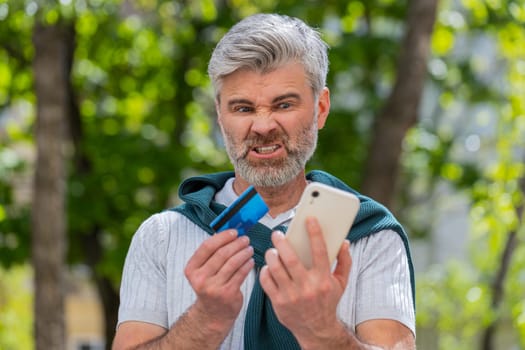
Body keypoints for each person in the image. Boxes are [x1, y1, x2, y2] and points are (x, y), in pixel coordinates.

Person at [112, 13, 416, 350]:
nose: (262, 126)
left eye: (283, 104)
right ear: (219, 115)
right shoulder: (162, 237)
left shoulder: (372, 236)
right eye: (242, 108)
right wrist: (205, 320)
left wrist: (321, 330)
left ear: (321, 108)